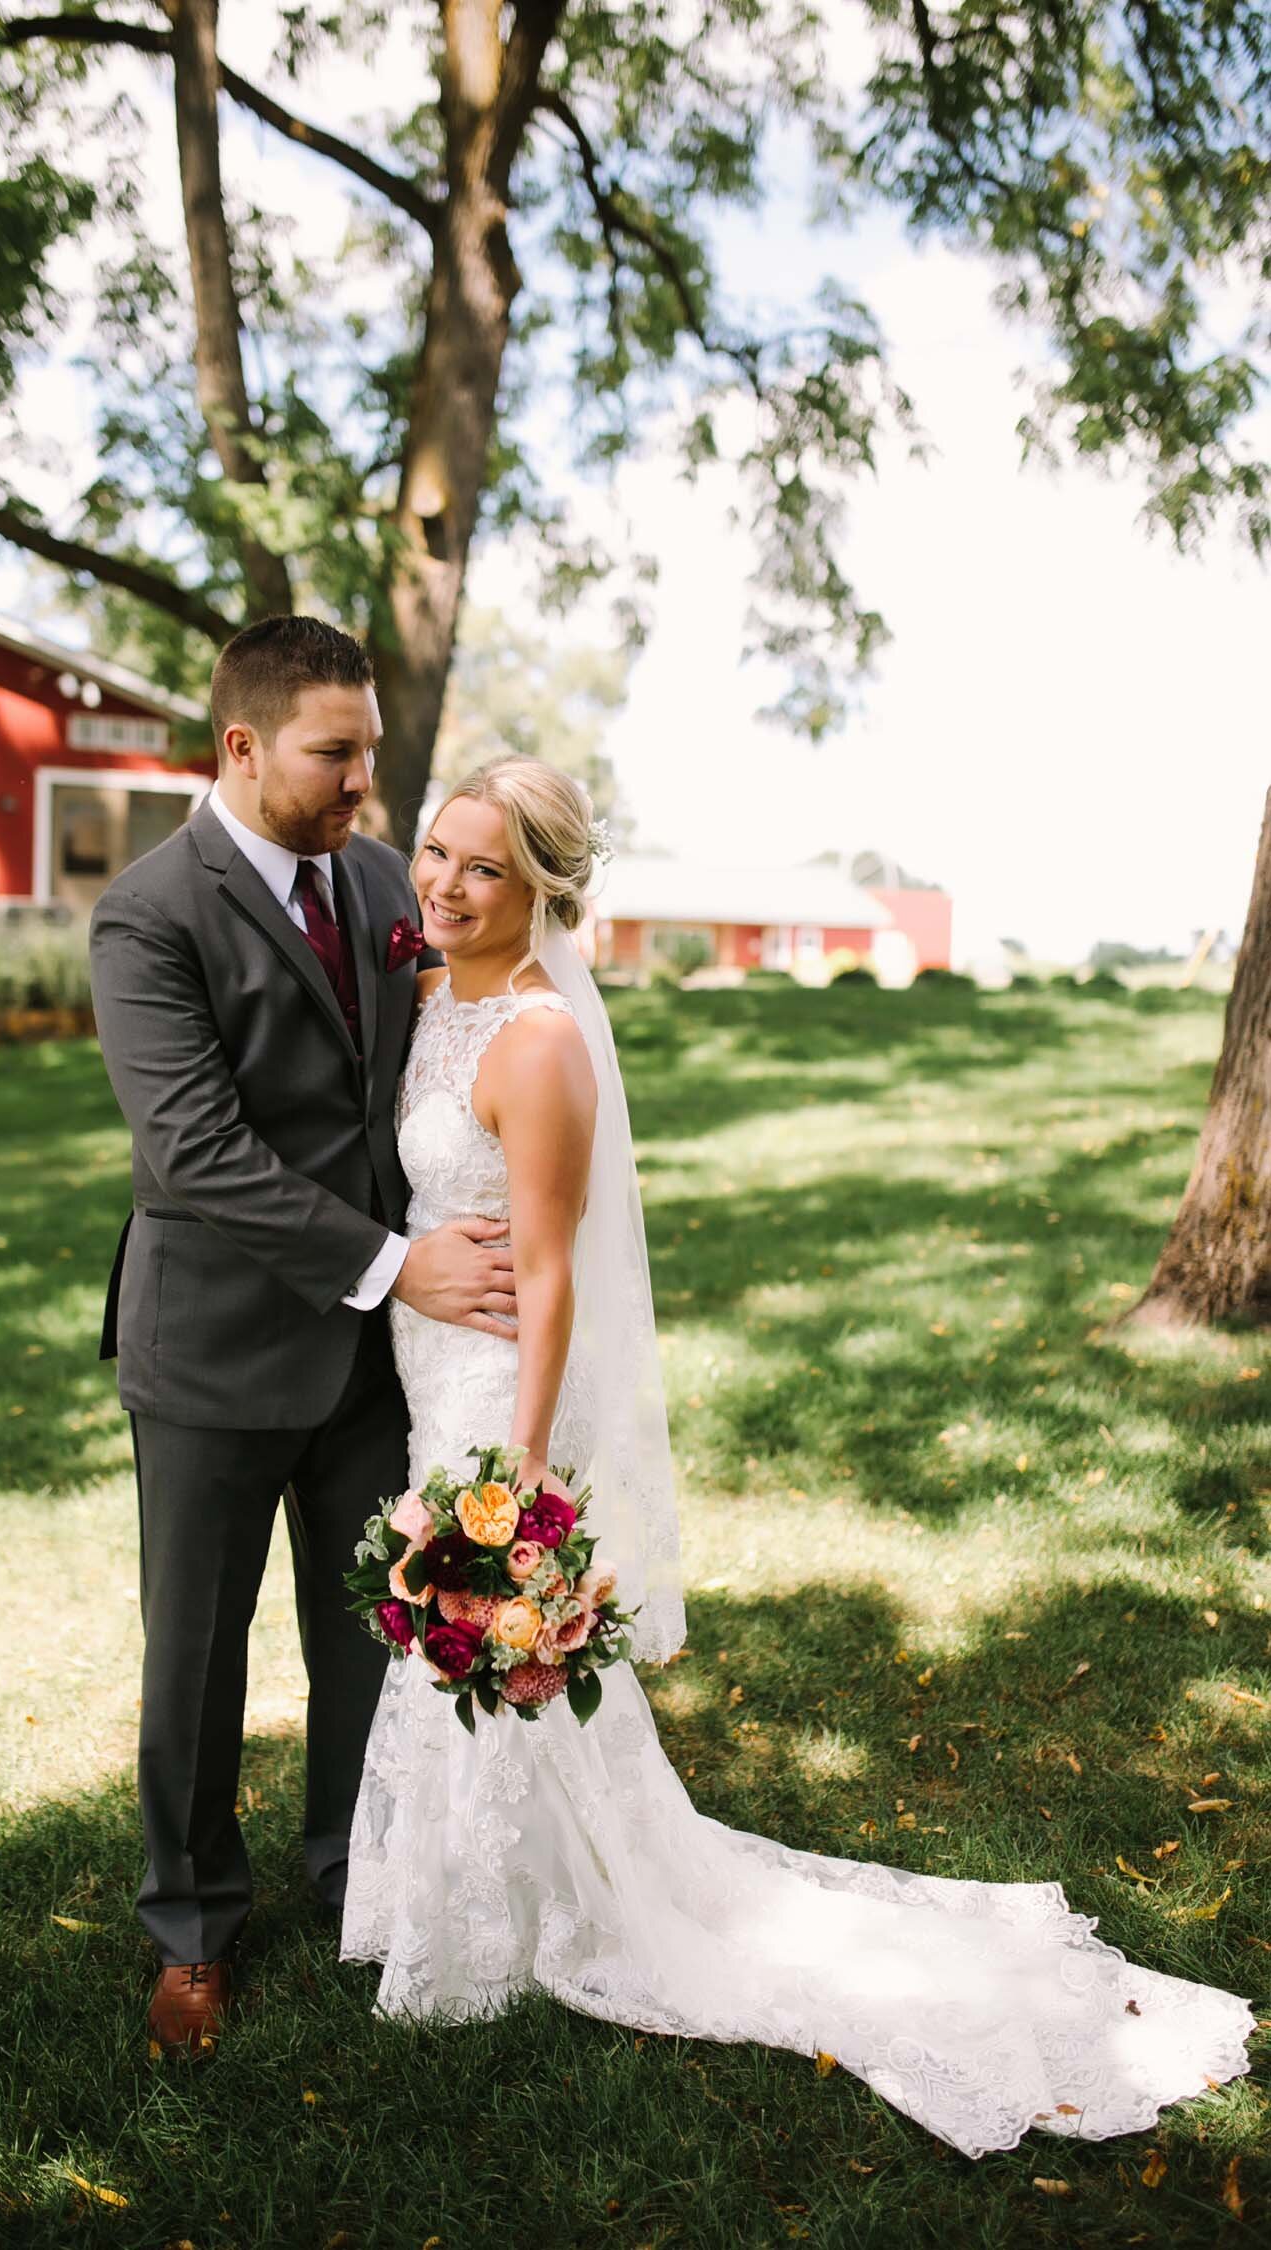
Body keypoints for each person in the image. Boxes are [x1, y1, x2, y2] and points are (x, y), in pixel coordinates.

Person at [341, 753, 1257, 2160]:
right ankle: (478, 1901)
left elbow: (556, 1271)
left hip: (496, 1391)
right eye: (439, 853)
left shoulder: (535, 1038)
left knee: (481, 1632)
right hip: (431, 1363)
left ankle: (483, 1935)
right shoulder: (435, 995)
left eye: (486, 868)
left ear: (543, 890)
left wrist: (517, 1478)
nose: (448, 886)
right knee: (469, 1655)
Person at [89, 616, 518, 2057]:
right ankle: (194, 1929)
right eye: (337, 756)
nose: (364, 786)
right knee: (194, 1660)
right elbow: (194, 1152)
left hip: (367, 1372)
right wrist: (400, 1263)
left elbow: (437, 1058)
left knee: (369, 1638)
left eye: (372, 753)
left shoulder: (388, 881)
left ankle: (358, 1875)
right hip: (211, 1355)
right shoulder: (148, 913)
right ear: (243, 746)